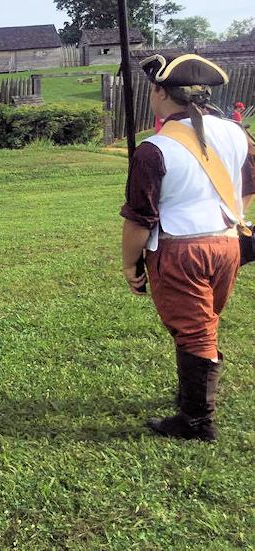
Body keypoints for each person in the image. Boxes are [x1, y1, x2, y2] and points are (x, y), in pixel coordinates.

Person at [121, 54, 255, 442]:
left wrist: (130, 264)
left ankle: (196, 420)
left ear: (161, 92)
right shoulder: (235, 133)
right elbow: (248, 184)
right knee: (203, 325)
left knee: (195, 331)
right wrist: (225, 217)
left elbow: (139, 218)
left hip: (180, 251)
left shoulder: (154, 149)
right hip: (226, 244)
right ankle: (192, 395)